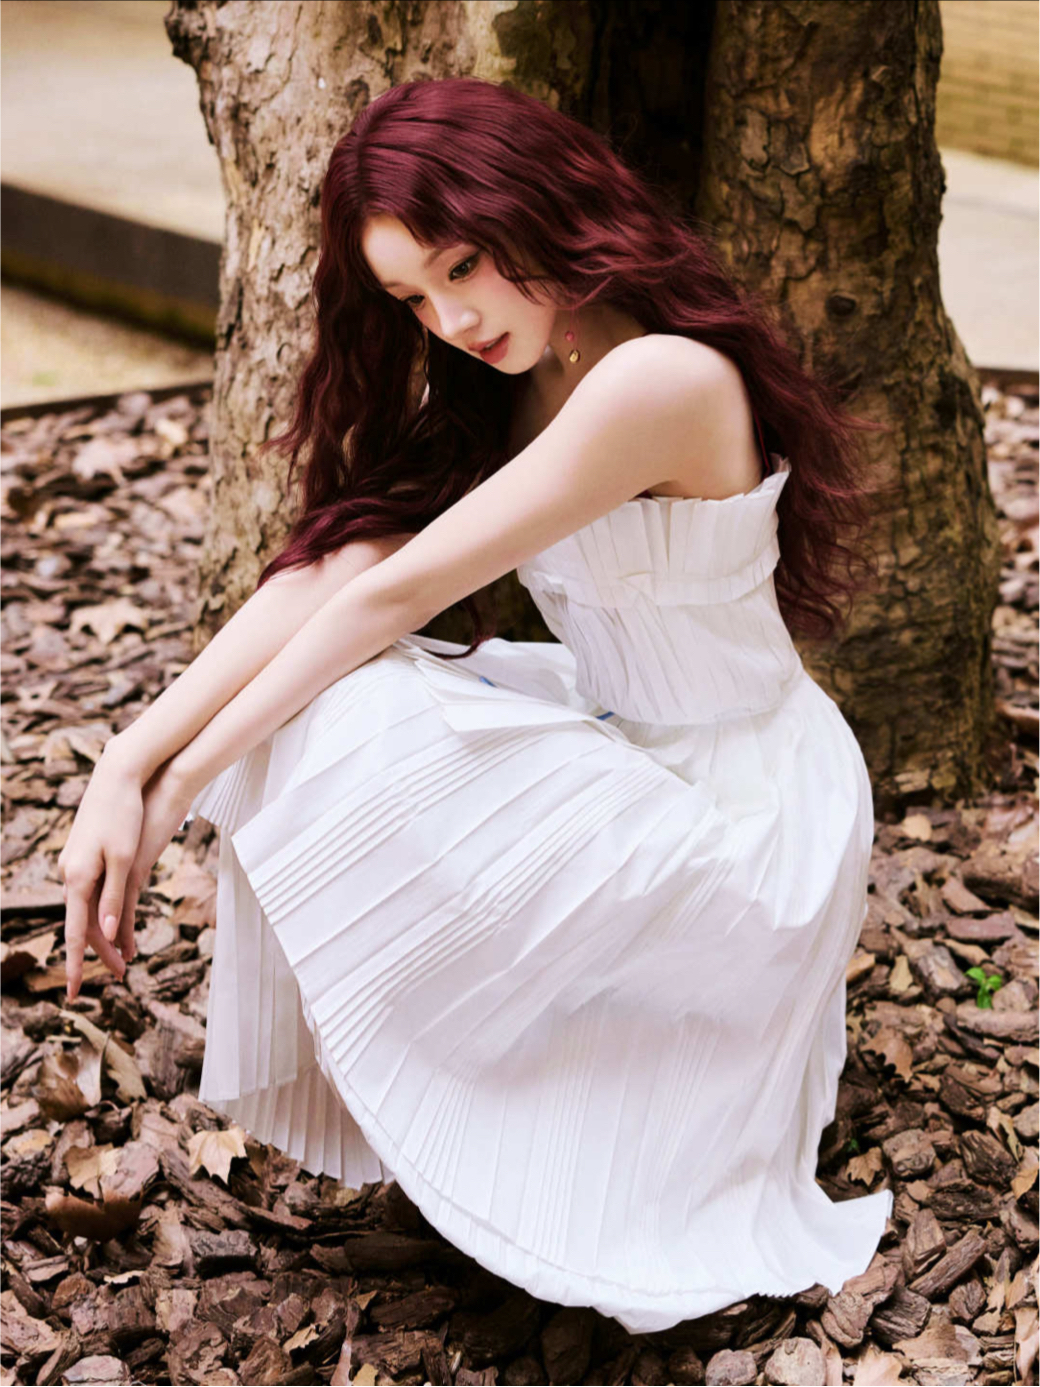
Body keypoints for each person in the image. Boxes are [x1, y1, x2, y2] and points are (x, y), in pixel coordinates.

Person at [59, 76, 893, 1334]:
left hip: (746, 813)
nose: (450, 320)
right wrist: (125, 759)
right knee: (339, 692)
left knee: (350, 705)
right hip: (625, 746)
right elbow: (337, 566)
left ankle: (558, 1126)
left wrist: (176, 789)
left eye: (463, 267)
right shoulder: (517, 373)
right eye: (412, 298)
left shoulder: (654, 378)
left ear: (539, 206)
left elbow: (387, 597)